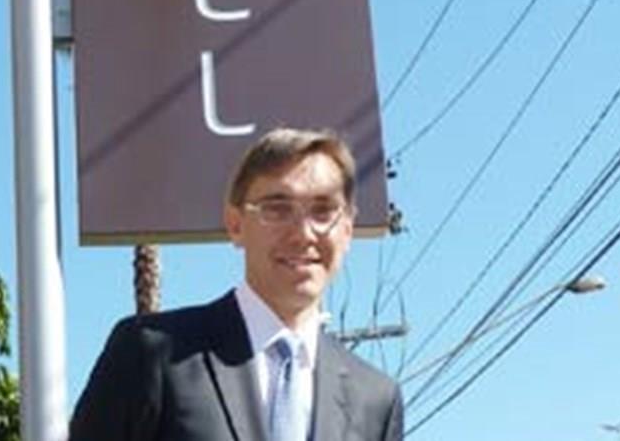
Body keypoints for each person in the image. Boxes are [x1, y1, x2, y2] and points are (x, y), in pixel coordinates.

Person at [69, 127, 403, 441]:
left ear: (347, 229)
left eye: (323, 211)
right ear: (235, 224)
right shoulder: (152, 353)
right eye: (277, 209)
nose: (303, 233)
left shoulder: (375, 400)